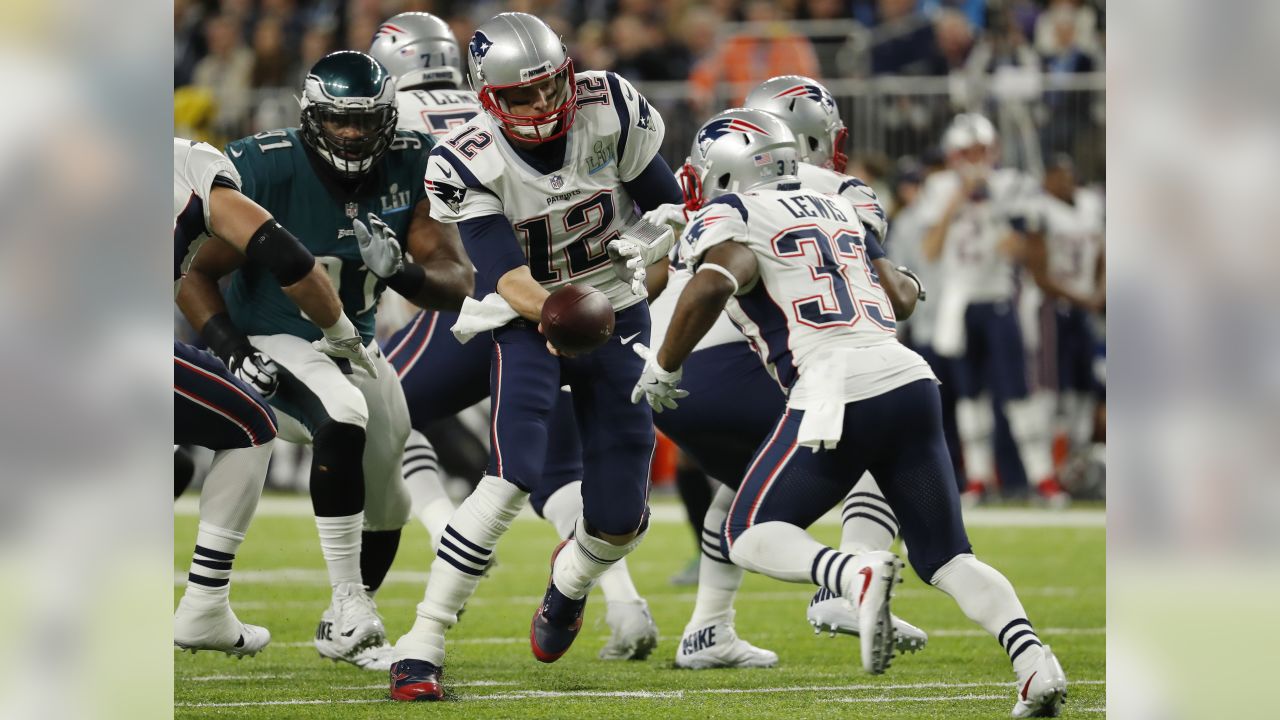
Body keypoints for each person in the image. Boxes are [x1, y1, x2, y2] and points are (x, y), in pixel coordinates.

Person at [634, 111, 1068, 717]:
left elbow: (712, 284)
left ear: (728, 168)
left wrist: (666, 365)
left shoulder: (731, 212)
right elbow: (902, 296)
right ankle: (1033, 662)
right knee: (948, 557)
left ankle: (850, 573)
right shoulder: (838, 206)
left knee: (746, 533)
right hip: (909, 377)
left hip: (835, 385)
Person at [389, 12, 683, 701]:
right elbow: (503, 276)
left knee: (619, 516)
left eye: (550, 88)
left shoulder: (610, 105)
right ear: (486, 96)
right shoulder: (465, 152)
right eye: (520, 97)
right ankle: (424, 640)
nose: (542, 107)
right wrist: (565, 314)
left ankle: (570, 583)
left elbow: (671, 214)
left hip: (619, 308)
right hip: (529, 316)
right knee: (513, 470)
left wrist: (646, 265)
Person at [176, 52, 474, 671]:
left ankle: (345, 622)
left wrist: (405, 272)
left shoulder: (414, 162)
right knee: (342, 414)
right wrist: (231, 347)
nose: (353, 134)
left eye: (366, 121)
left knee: (390, 496)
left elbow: (457, 278)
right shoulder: (263, 167)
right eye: (339, 121)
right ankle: (346, 601)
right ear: (312, 117)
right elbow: (194, 273)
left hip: (355, 345)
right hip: (272, 337)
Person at [742, 78, 934, 645]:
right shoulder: (842, 191)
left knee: (738, 494)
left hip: (704, 355)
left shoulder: (727, 189)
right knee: (877, 440)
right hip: (788, 356)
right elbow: (888, 293)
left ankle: (710, 625)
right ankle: (848, 577)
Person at [172, 137, 373, 657]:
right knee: (250, 425)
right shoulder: (190, 162)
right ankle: (203, 604)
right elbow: (284, 254)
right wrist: (340, 331)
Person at [919, 113, 1066, 507]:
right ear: (953, 154)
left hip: (1002, 299)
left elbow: (1025, 248)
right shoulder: (939, 188)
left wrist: (998, 210)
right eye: (968, 151)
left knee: (1019, 395)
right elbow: (929, 251)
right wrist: (957, 201)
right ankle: (979, 479)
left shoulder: (1011, 184)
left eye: (981, 150)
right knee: (969, 397)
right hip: (959, 304)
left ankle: (1043, 478)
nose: (975, 158)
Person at [1022, 154, 1105, 457]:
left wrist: (1099, 293)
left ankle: (1078, 458)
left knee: (1085, 387)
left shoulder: (1091, 204)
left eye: (1070, 175)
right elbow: (1038, 273)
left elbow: (1104, 253)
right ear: (1047, 180)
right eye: (1059, 176)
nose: (1066, 181)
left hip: (1085, 306)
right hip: (1051, 307)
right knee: (1052, 387)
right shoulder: (1039, 210)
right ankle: (1050, 462)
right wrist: (1086, 298)